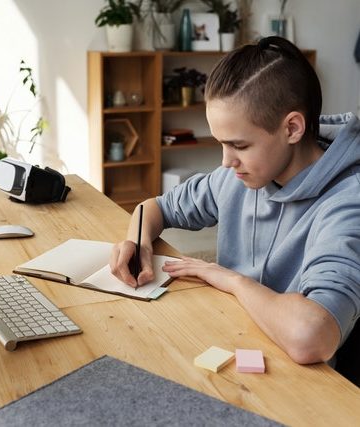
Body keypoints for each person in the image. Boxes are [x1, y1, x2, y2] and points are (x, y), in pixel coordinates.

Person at [109, 36, 360, 369]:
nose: (226, 161)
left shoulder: (347, 203)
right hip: (234, 339)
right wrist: (137, 241)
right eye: (221, 143)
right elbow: (153, 208)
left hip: (302, 380)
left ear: (293, 128)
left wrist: (230, 279)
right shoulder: (240, 175)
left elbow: (312, 338)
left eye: (239, 145)